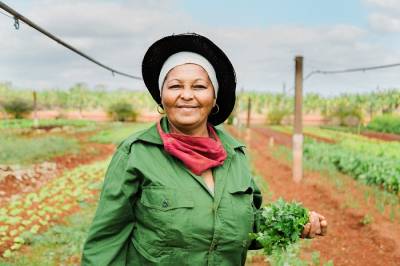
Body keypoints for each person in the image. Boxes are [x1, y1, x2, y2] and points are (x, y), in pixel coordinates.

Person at [81, 33, 327, 266]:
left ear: (214, 98)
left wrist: (296, 222)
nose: (186, 95)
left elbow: (247, 225)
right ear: (161, 96)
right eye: (175, 86)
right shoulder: (136, 154)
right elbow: (106, 240)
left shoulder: (234, 154)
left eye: (199, 87)